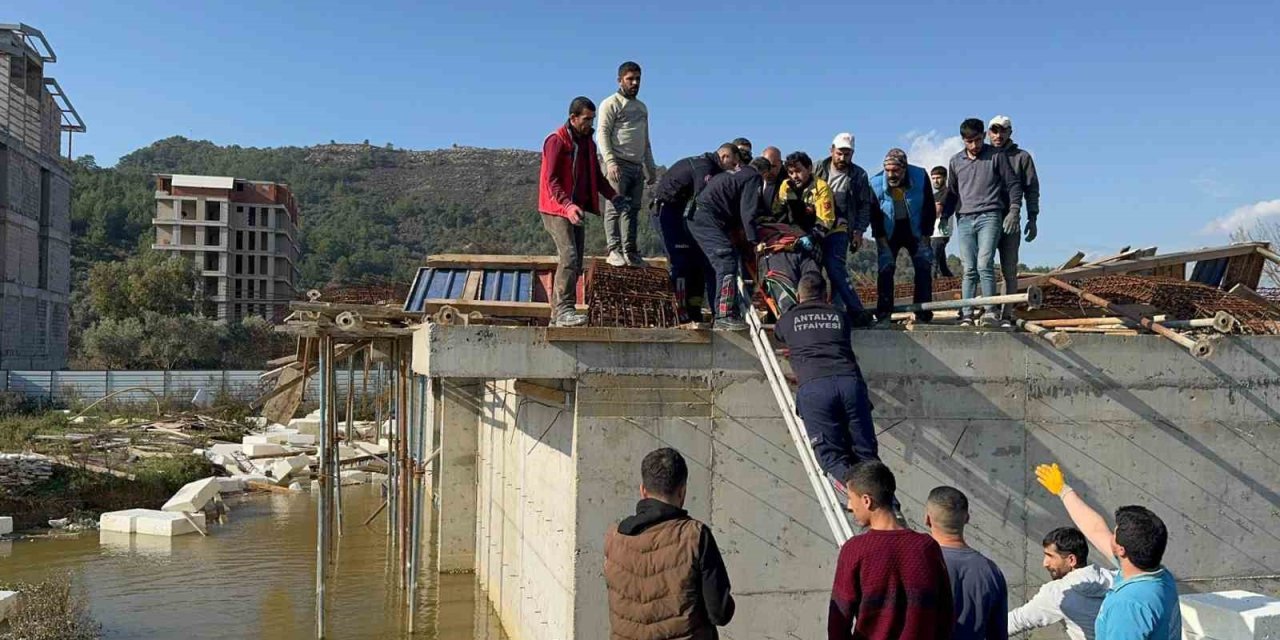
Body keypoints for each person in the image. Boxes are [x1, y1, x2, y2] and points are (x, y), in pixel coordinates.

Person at [1034, 463, 1182, 639]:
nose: (1110, 536)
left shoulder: (1128, 606)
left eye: (1114, 534)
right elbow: (1096, 529)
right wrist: (1063, 491)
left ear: (1121, 550)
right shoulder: (1158, 575)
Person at [604, 447, 736, 639]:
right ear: (682, 492)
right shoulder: (696, 536)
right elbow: (720, 613)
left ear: (643, 490)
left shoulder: (614, 537)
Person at [829, 461, 953, 640]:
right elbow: (945, 615)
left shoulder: (855, 550)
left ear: (866, 501)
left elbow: (838, 623)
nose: (849, 506)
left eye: (850, 498)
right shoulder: (927, 547)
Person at [775, 274, 878, 488]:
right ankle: (888, 503)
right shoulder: (840, 316)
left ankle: (860, 498)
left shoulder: (788, 319)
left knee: (832, 460)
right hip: (850, 383)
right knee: (867, 456)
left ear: (798, 296)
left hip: (815, 387)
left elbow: (779, 334)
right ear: (826, 295)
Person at [539, 96, 625, 327]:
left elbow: (596, 176)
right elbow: (551, 180)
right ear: (573, 118)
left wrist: (613, 196)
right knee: (569, 256)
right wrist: (567, 205)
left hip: (576, 208)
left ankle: (558, 316)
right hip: (556, 208)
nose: (590, 124)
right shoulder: (556, 141)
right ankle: (564, 310)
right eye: (586, 119)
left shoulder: (588, 143)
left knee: (576, 263)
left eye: (592, 119)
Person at [942, 118, 1023, 326]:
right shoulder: (955, 161)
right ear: (963, 140)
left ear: (984, 136)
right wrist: (944, 216)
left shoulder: (996, 156)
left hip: (990, 215)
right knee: (969, 268)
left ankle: (990, 311)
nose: (974, 145)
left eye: (978, 140)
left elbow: (1013, 184)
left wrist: (1014, 209)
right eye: (969, 141)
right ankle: (967, 313)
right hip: (964, 218)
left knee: (984, 263)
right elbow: (952, 192)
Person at [689, 143, 764, 330]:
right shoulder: (753, 177)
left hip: (698, 216)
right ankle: (724, 314)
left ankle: (729, 310)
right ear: (764, 172)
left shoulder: (734, 175)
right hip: (707, 217)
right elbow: (748, 213)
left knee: (724, 259)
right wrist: (754, 241)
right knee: (726, 261)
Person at [926, 486, 1008, 640]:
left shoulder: (920, 564)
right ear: (967, 518)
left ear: (928, 519)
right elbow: (998, 634)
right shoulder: (992, 571)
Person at [597, 61, 658, 268]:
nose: (634, 83)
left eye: (638, 79)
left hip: (636, 165)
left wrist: (650, 166)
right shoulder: (610, 103)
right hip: (618, 163)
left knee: (632, 210)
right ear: (620, 80)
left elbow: (645, 139)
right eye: (630, 79)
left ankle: (630, 251)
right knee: (615, 207)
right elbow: (602, 133)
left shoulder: (642, 108)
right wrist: (610, 161)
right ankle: (613, 249)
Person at [651, 151, 723, 322]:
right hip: (666, 213)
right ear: (725, 157)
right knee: (681, 263)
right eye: (734, 163)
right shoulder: (704, 167)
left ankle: (694, 309)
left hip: (680, 214)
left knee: (698, 262)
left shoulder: (711, 167)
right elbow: (703, 201)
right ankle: (680, 311)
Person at [869, 148, 937, 324]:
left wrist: (926, 235)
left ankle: (922, 314)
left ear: (905, 168)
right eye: (888, 171)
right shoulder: (875, 184)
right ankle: (884, 314)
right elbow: (874, 216)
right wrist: (881, 240)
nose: (891, 175)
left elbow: (929, 207)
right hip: (889, 232)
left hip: (915, 229)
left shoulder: (920, 176)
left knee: (923, 267)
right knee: (886, 269)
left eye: (896, 170)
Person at [1009, 527, 1113, 640]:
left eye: (1050, 556)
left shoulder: (1060, 593)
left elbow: (1016, 621)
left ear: (1071, 560)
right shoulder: (1112, 577)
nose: (1045, 563)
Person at [814, 133, 875, 321]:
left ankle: (843, 313)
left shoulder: (859, 175)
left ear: (852, 154)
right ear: (831, 150)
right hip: (816, 227)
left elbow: (864, 205)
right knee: (813, 270)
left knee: (835, 268)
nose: (842, 158)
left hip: (841, 228)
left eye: (847, 154)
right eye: (839, 153)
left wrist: (859, 231)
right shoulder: (817, 168)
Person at [987, 115, 1041, 325]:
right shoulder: (983, 156)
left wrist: (1032, 218)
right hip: (985, 219)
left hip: (1011, 219)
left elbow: (1032, 189)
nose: (998, 135)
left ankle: (1006, 314)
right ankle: (984, 312)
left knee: (1009, 270)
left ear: (1010, 132)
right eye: (994, 130)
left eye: (1002, 130)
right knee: (981, 267)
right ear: (988, 133)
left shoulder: (1022, 157)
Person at [930, 166, 955, 278]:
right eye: (933, 178)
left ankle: (929, 287)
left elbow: (936, 212)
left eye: (938, 178)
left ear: (945, 178)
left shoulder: (948, 193)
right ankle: (953, 284)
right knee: (942, 266)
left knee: (932, 263)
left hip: (940, 233)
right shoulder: (934, 195)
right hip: (933, 233)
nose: (935, 181)